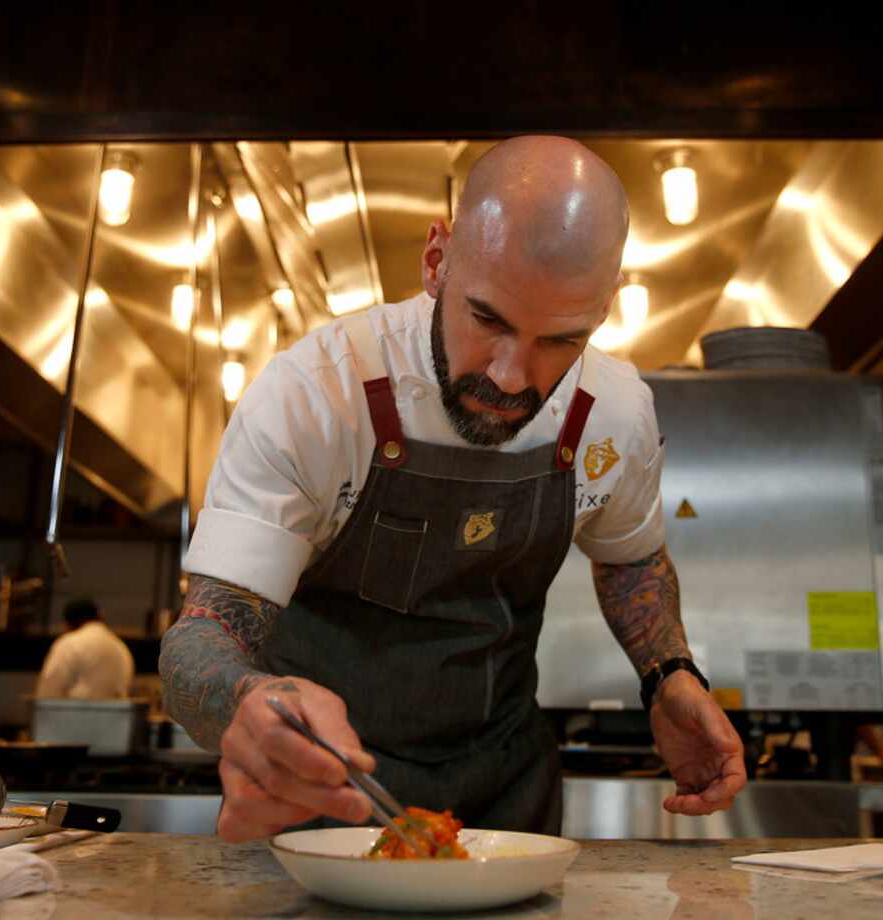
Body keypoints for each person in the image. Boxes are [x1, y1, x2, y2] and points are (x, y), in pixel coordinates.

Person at [161, 136, 746, 841]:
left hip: (505, 796)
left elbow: (630, 556)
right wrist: (245, 701)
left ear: (604, 308)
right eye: (488, 320)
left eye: (561, 340)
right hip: (324, 791)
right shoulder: (316, 394)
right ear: (436, 259)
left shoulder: (613, 411)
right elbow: (203, 638)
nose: (509, 375)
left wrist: (668, 674)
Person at [37, 598, 135, 700]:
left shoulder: (70, 643)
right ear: (100, 617)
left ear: (69, 623)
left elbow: (50, 689)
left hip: (73, 714)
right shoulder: (120, 648)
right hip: (113, 715)